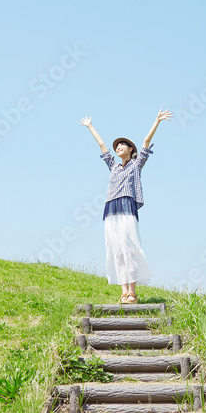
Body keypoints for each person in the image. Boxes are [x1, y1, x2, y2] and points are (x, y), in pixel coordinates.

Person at [80, 109, 173, 304]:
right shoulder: (113, 166)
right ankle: (123, 293)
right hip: (111, 208)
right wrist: (90, 127)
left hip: (127, 205)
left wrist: (157, 121)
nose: (118, 147)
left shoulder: (136, 165)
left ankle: (133, 292)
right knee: (115, 249)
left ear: (131, 150)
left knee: (130, 247)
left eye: (123, 145)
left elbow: (146, 143)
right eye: (118, 146)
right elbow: (101, 145)